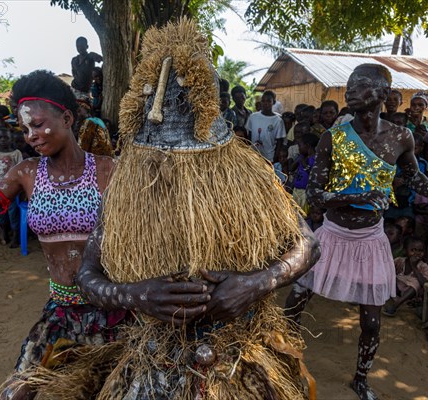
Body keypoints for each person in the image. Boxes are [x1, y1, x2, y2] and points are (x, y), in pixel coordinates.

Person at [29, 20, 320, 400]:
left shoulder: (248, 174)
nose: (177, 166)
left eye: (192, 158)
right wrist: (137, 295)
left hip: (237, 353)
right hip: (153, 356)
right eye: (165, 157)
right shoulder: (128, 184)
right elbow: (87, 275)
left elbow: (308, 244)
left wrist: (255, 283)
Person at [284, 64, 428, 400]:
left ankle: (361, 379)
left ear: (382, 94)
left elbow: (413, 176)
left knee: (371, 322)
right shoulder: (333, 138)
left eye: (361, 85)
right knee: (295, 302)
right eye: (350, 84)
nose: (351, 89)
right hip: (332, 235)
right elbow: (313, 196)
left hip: (370, 241)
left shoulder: (401, 137)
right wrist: (359, 196)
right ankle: (282, 361)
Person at [0, 69, 121, 399]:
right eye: (24, 129)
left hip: (114, 310)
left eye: (37, 124)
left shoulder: (109, 169)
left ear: (67, 117)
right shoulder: (26, 173)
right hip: (60, 311)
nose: (31, 135)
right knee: (15, 393)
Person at [382, 237, 428, 316]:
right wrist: (393, 271)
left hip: (410, 294)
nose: (417, 253)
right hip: (396, 291)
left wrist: (414, 267)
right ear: (405, 251)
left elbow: (425, 284)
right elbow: (386, 269)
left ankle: (397, 304)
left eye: (420, 251)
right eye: (413, 250)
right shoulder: (400, 261)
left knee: (416, 282)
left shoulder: (423, 266)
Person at [0, 128, 23, 246]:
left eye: (6, 138)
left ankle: (16, 236)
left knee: (12, 212)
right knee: (1, 213)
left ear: (11, 139)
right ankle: (4, 233)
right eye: (0, 138)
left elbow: (20, 171)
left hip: (12, 189)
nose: (3, 140)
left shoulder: (16, 153)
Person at [245, 90, 286, 162]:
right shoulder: (253, 117)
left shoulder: (278, 120)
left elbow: (279, 142)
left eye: (268, 101)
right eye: (263, 101)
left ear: (273, 102)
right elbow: (249, 136)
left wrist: (274, 159)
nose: (265, 103)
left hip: (269, 157)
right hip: (254, 156)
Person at [291, 134, 318, 213]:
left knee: (303, 214)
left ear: (307, 146)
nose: (298, 148)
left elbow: (313, 175)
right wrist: (299, 159)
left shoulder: (314, 159)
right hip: (296, 190)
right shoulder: (303, 157)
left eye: (300, 145)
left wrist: (304, 164)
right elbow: (292, 168)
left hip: (305, 193)